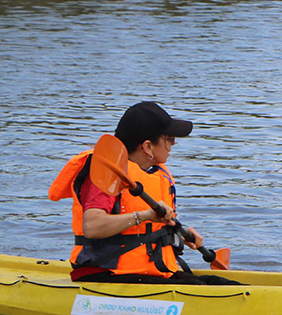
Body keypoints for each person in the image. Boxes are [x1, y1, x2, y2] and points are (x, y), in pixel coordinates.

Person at [48, 101, 241, 285]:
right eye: (169, 139)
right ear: (148, 146)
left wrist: (175, 234)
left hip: (147, 272)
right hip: (104, 273)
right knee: (201, 289)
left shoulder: (154, 174)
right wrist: (146, 216)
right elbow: (93, 226)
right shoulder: (105, 174)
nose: (173, 144)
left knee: (219, 283)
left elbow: (144, 228)